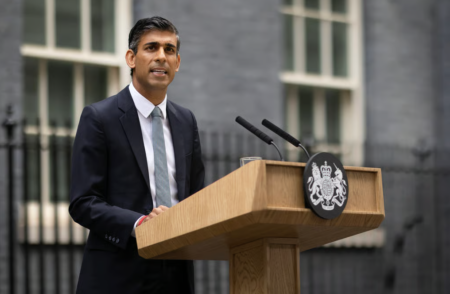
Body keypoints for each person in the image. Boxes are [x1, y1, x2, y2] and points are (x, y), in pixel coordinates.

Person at [69, 16, 205, 293]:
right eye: (151, 48)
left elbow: (195, 194)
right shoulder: (99, 117)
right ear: (131, 58)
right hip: (119, 272)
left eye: (169, 50)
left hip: (177, 272)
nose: (161, 57)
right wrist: (140, 223)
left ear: (177, 63)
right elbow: (83, 202)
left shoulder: (186, 121)